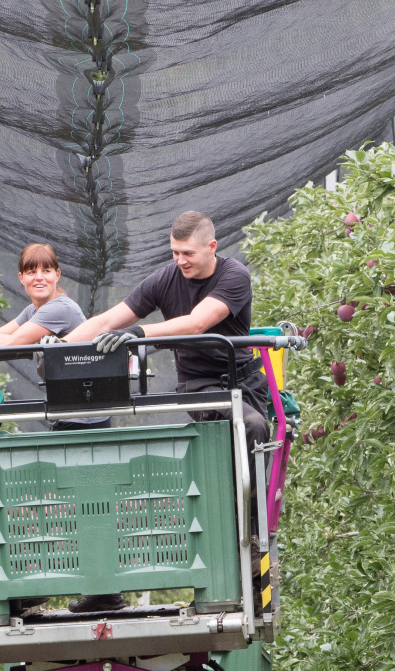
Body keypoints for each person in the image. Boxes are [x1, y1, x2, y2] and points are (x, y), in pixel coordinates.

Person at [63, 209, 269, 614]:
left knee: (252, 426)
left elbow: (196, 324)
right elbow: (109, 319)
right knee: (214, 458)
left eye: (188, 253)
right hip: (200, 388)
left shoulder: (234, 276)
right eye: (174, 252)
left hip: (239, 383)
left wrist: (137, 334)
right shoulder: (165, 278)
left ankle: (253, 534)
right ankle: (223, 538)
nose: (180, 260)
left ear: (212, 246)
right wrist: (60, 345)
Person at [0, 243, 103, 431]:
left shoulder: (60, 308)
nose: (39, 277)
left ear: (57, 275)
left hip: (86, 418)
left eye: (46, 270)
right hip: (65, 411)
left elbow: (9, 343)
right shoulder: (32, 311)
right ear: (21, 278)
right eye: (32, 272)